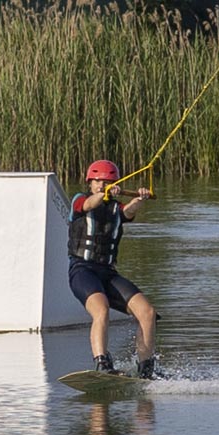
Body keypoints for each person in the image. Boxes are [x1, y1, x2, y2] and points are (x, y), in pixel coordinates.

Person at [68, 159, 157, 379]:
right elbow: (89, 205)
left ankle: (145, 368)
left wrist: (140, 198)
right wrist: (104, 194)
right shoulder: (80, 200)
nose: (102, 185)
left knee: (148, 313)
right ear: (90, 182)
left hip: (108, 273)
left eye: (107, 182)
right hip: (82, 271)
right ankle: (102, 364)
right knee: (102, 309)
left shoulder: (117, 208)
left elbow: (129, 212)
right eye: (98, 181)